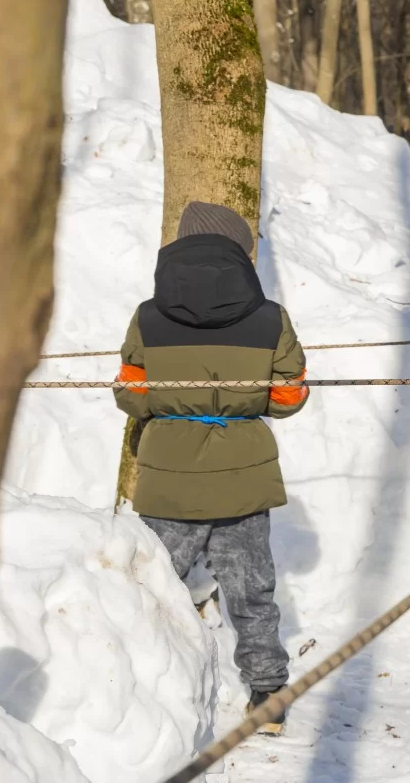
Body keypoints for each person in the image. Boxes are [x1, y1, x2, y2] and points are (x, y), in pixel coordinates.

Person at [114, 201, 310, 732]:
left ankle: (143, 690)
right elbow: (288, 398)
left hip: (168, 475)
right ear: (240, 250)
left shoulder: (148, 316)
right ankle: (268, 696)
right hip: (244, 474)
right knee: (251, 590)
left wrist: (173, 400)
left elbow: (131, 396)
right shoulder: (270, 317)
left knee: (155, 584)